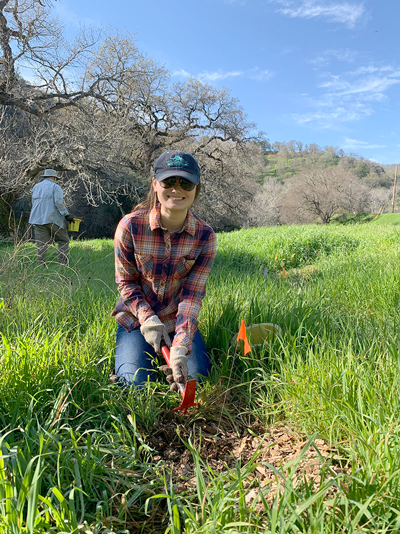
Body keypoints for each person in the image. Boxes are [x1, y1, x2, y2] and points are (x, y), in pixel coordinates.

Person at [112, 150, 217, 391]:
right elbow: (126, 283)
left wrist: (181, 344)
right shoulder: (130, 226)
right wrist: (147, 318)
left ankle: (172, 355)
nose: (176, 189)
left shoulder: (205, 236)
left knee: (198, 380)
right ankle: (132, 358)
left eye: (186, 182)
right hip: (136, 321)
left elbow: (192, 296)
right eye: (169, 181)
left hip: (176, 320)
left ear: (196, 189)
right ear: (155, 185)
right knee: (135, 386)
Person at [29, 168, 74, 266]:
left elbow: (34, 203)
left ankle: (41, 264)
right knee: (63, 240)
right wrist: (67, 215)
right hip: (52, 219)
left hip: (37, 219)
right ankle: (63, 264)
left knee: (41, 244)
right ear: (54, 178)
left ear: (44, 177)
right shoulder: (55, 187)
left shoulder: (36, 187)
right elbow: (58, 203)